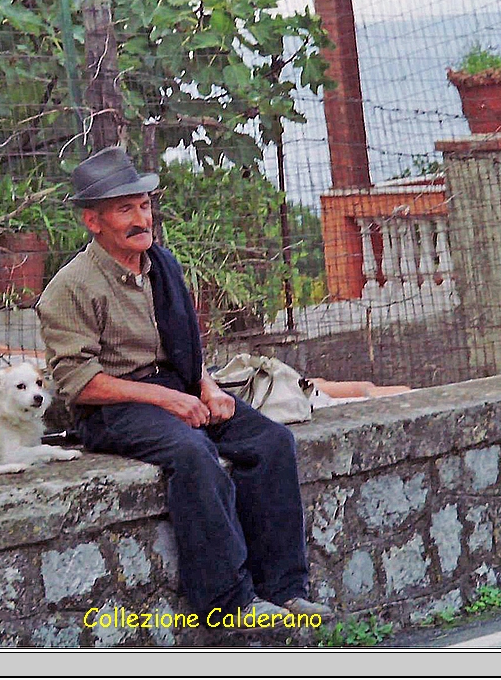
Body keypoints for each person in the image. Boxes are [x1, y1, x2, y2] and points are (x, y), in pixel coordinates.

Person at [36, 146, 332, 622]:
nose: (140, 219)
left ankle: (283, 589)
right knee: (194, 455)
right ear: (94, 222)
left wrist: (207, 388)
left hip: (177, 387)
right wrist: (168, 399)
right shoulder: (71, 287)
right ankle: (232, 605)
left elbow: (183, 347)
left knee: (271, 441)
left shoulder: (161, 265)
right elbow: (78, 383)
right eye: (124, 209)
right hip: (113, 409)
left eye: (144, 205)